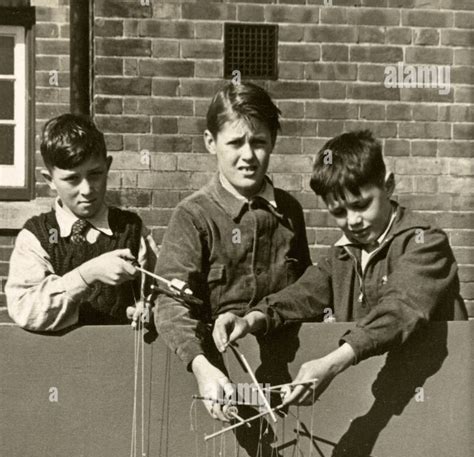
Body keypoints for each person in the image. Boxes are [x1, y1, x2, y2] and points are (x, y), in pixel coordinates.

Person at [213, 130, 467, 406]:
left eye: (361, 205)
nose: (353, 220)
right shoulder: (343, 254)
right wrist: (251, 319)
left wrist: (332, 363)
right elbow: (302, 294)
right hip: (379, 399)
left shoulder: (425, 242)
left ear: (388, 185)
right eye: (339, 212)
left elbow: (400, 308)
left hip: (439, 398)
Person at [153, 81, 311, 421]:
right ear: (211, 142)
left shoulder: (290, 212)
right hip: (215, 385)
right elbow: (168, 302)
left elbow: (306, 291)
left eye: (259, 142)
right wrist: (201, 366)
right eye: (235, 143)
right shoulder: (193, 216)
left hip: (285, 386)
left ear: (274, 142)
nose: (248, 156)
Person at [6, 114, 157, 332]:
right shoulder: (36, 237)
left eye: (95, 174)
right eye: (72, 179)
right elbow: (25, 309)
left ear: (108, 167)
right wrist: (86, 274)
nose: (86, 190)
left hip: (121, 359)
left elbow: (160, 293)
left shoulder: (131, 230)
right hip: (58, 361)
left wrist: (149, 308)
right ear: (50, 180)